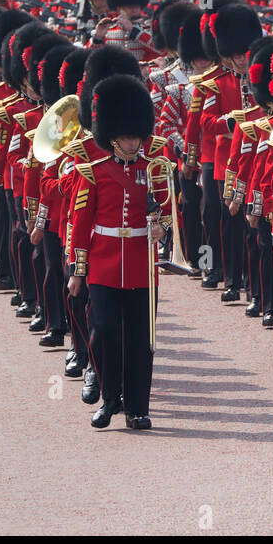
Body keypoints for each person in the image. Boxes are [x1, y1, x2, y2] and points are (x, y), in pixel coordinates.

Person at [67, 73, 169, 431]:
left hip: (141, 265)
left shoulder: (155, 170)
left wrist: (162, 229)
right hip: (104, 264)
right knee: (103, 330)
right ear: (111, 135)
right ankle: (110, 397)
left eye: (135, 135)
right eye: (125, 135)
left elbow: (169, 213)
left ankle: (138, 407)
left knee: (141, 338)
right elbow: (80, 223)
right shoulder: (94, 173)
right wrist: (78, 270)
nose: (131, 141)